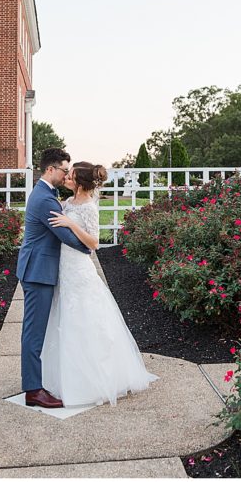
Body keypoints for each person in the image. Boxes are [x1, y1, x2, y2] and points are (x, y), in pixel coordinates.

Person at [41, 161, 159, 407]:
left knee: (87, 320)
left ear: (81, 182)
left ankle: (96, 380)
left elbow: (93, 243)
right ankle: (68, 376)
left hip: (80, 270)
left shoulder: (88, 208)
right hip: (65, 269)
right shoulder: (67, 203)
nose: (67, 179)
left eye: (71, 176)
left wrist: (71, 224)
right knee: (66, 320)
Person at [16, 148, 92, 409]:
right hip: (38, 271)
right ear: (51, 169)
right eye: (63, 170)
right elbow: (66, 237)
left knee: (38, 330)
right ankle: (33, 390)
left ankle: (36, 381)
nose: (65, 175)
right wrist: (87, 247)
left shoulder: (46, 193)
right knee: (34, 332)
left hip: (39, 268)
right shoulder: (45, 199)